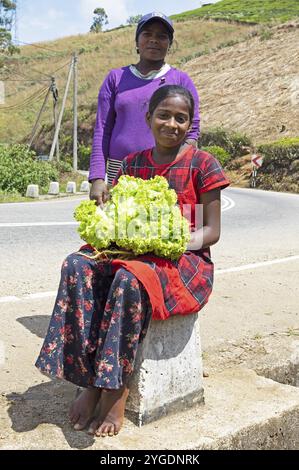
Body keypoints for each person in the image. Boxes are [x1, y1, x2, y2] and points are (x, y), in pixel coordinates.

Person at [35, 85, 229, 438]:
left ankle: (113, 388)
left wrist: (172, 241)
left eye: (181, 118)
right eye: (164, 115)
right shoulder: (132, 162)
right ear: (149, 118)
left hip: (184, 264)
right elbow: (120, 217)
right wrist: (110, 228)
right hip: (133, 255)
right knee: (77, 264)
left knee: (129, 278)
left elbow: (211, 231)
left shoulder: (202, 164)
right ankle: (87, 380)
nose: (172, 124)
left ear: (190, 124)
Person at [89, 11, 200, 206]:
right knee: (120, 232)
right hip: (119, 171)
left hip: (165, 172)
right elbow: (102, 130)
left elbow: (193, 131)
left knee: (162, 231)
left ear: (169, 44)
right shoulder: (115, 78)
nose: (154, 40)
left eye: (161, 36)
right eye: (147, 34)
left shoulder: (181, 80)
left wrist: (178, 168)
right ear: (137, 41)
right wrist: (97, 177)